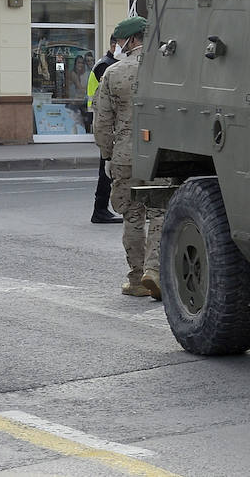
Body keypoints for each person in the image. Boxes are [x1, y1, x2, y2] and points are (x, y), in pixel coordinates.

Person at [94, 16, 161, 299]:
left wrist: (107, 153)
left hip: (125, 155)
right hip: (162, 156)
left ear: (133, 40)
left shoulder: (115, 73)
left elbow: (101, 122)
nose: (118, 45)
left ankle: (136, 279)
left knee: (133, 216)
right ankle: (156, 272)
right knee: (160, 214)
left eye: (121, 40)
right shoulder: (166, 70)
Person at [85, 38, 122, 224]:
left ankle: (102, 209)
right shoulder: (106, 66)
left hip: (107, 121)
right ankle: (100, 209)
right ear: (113, 45)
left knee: (110, 167)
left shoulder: (111, 64)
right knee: (106, 168)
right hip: (106, 122)